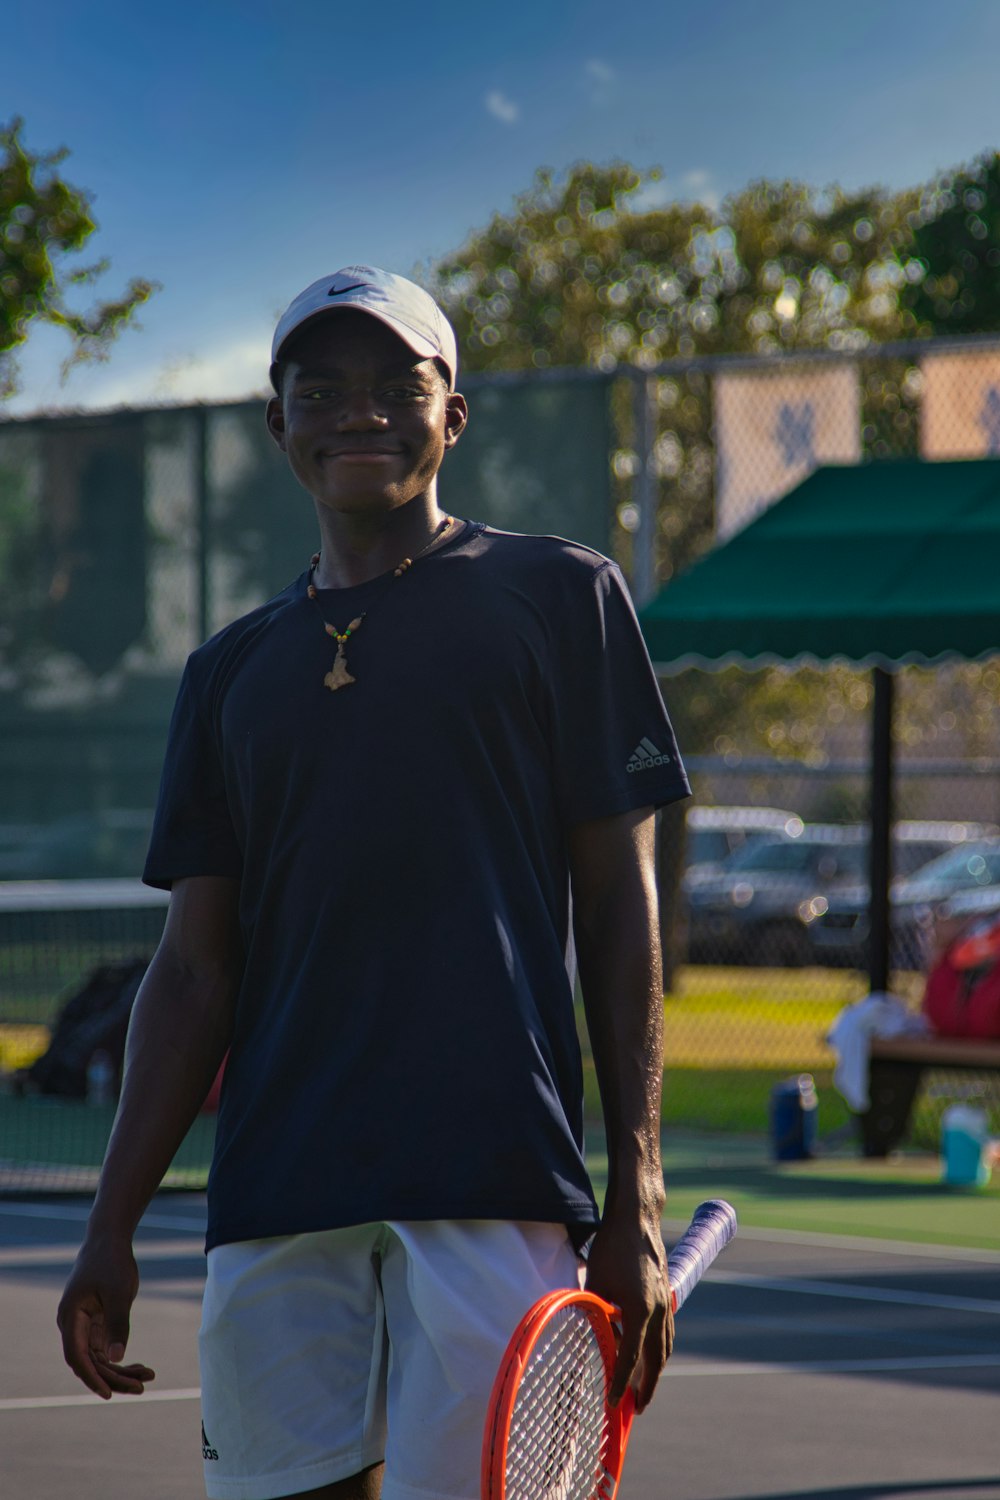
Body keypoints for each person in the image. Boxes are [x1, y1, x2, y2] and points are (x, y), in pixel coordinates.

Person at [58, 266, 690, 1500]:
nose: (361, 413)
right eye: (323, 388)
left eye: (397, 384)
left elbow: (622, 907)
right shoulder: (228, 670)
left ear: (452, 414)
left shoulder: (563, 597)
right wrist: (110, 1224)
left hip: (493, 1180)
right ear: (275, 422)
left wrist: (638, 1194)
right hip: (276, 1191)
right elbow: (193, 970)